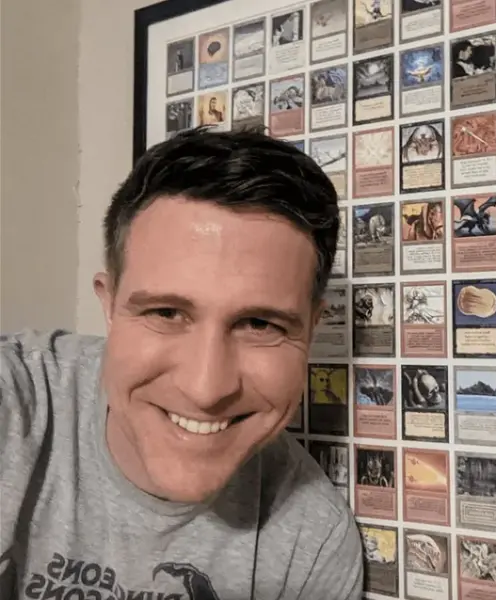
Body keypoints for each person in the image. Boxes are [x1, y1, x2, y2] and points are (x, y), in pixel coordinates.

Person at [0, 127, 364, 599]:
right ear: (109, 306)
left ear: (311, 331)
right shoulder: (17, 406)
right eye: (166, 313)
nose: (205, 388)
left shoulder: (311, 543)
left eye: (259, 324)